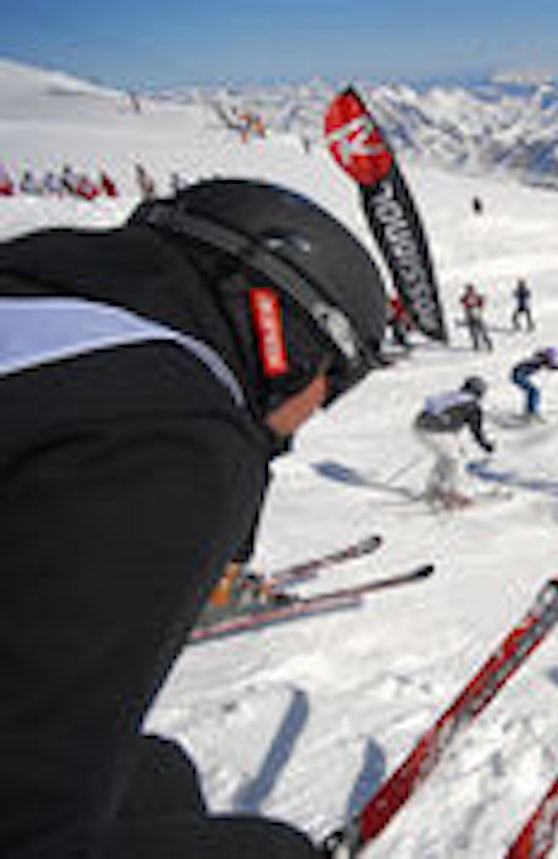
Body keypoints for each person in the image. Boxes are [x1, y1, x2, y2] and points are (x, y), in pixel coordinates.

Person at [0, 178, 390, 857]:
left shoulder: (37, 290)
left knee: (158, 775)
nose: (310, 417)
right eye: (332, 386)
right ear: (291, 339)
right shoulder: (176, 434)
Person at [412, 375, 495, 508]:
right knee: (455, 459)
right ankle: (452, 494)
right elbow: (476, 430)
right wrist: (486, 445)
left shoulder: (453, 396)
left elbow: (435, 407)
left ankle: (434, 489)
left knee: (446, 457)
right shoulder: (472, 405)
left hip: (419, 427)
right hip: (435, 430)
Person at [510, 346, 558, 420]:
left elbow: (549, 366)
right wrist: (557, 366)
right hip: (518, 375)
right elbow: (546, 364)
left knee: (533, 391)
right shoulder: (538, 359)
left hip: (519, 375)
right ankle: (532, 411)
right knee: (534, 391)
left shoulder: (540, 359)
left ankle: (530, 410)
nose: (553, 360)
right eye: (552, 358)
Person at [460, 283, 492, 351]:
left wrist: (480, 304)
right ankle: (476, 344)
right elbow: (462, 301)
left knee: (481, 330)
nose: (469, 291)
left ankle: (487, 342)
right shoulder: (467, 297)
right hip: (470, 315)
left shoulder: (476, 296)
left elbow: (481, 303)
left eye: (470, 290)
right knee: (473, 331)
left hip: (476, 315)